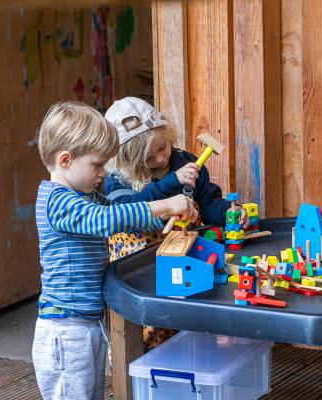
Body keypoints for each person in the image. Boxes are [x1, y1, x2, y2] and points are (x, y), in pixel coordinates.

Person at [32, 101, 196, 400]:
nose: (104, 174)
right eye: (97, 165)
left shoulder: (86, 196)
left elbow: (123, 212)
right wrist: (164, 205)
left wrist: (165, 213)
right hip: (66, 329)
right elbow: (107, 220)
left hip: (85, 321)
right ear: (66, 160)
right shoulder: (59, 200)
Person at [103, 96, 249, 260]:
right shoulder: (119, 177)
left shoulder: (186, 162)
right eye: (148, 159)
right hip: (136, 263)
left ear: (167, 133)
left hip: (185, 256)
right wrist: (171, 182)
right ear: (127, 162)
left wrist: (226, 212)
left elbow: (207, 202)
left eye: (162, 147)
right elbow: (123, 213)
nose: (160, 159)